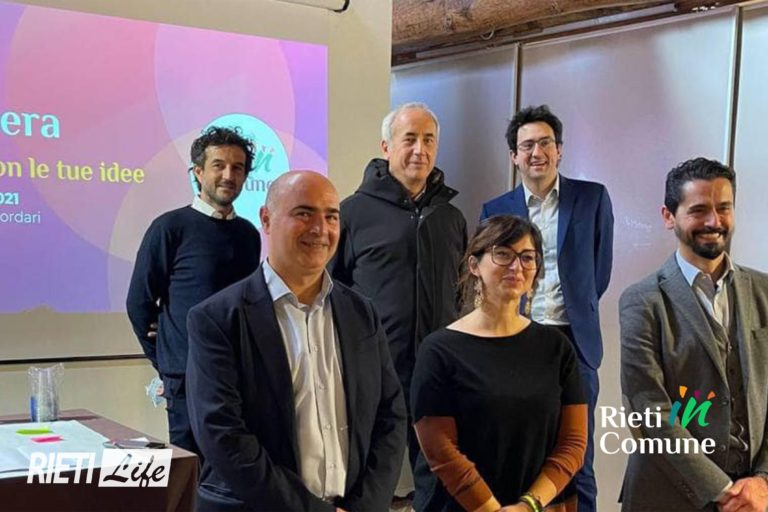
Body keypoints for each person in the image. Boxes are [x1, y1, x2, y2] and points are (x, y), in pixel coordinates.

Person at [186, 171, 407, 511]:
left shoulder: (361, 312)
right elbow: (223, 435)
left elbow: (390, 415)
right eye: (304, 213)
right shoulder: (217, 319)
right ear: (266, 219)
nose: (320, 229)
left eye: (331, 216)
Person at [480, 105, 612, 512]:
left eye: (545, 143)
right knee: (519, 451)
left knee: (578, 455)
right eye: (527, 146)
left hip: (575, 342)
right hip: (516, 340)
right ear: (514, 156)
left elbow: (599, 271)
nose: (536, 153)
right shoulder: (495, 209)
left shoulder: (591, 198)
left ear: (559, 150)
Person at [620, 157, 768, 512]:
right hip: (666, 497)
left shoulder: (764, 291)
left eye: (723, 208)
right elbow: (649, 410)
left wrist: (762, 481)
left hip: (755, 498)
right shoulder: (641, 301)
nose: (714, 222)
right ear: (669, 216)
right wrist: (724, 491)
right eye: (699, 210)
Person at [411, 215, 587, 512]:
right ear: (474, 265)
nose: (516, 266)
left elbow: (573, 443)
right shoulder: (439, 350)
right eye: (503, 254)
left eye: (527, 257)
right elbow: (441, 450)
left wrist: (528, 505)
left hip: (541, 505)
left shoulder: (556, 347)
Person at [331, 102, 467, 470]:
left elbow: (460, 290)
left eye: (429, 140)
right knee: (369, 472)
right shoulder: (352, 213)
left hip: (437, 368)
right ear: (386, 147)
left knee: (438, 472)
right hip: (373, 368)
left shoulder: (451, 217)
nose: (420, 150)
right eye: (409, 139)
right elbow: (332, 291)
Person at [126, 126, 261, 454]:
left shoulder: (249, 234)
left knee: (237, 465)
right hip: (187, 379)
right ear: (198, 172)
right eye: (218, 165)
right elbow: (139, 303)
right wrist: (168, 362)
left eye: (238, 168)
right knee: (192, 469)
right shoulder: (169, 228)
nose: (228, 175)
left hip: (239, 377)